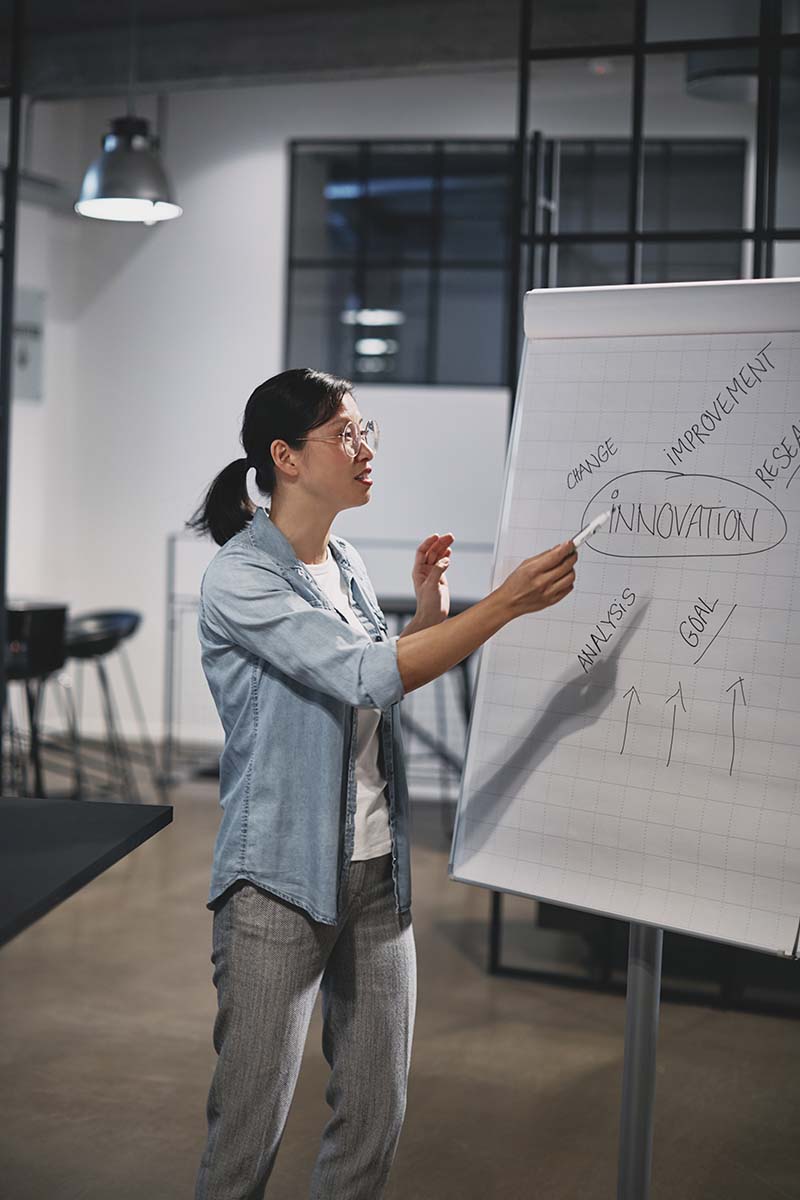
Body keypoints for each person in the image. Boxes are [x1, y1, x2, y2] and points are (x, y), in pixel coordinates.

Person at [189, 367, 577, 1199]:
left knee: (374, 1117)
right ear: (286, 458)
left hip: (377, 877)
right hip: (278, 884)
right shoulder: (240, 578)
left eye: (367, 432)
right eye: (347, 434)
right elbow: (362, 675)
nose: (366, 450)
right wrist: (502, 605)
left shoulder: (349, 561)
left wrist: (431, 619)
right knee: (246, 1133)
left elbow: (381, 681)